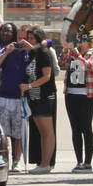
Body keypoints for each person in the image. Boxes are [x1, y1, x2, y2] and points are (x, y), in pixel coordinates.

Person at [0, 22, 29, 171]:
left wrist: (29, 47)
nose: (20, 40)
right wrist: (7, 52)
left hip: (20, 97)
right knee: (3, 132)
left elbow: (47, 45)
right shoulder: (8, 49)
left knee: (18, 132)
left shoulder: (28, 51)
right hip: (4, 94)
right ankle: (4, 159)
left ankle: (16, 161)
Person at [61, 38, 93, 172]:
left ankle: (88, 162)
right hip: (71, 92)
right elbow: (62, 64)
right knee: (75, 128)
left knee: (86, 127)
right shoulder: (73, 52)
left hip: (86, 94)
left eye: (82, 40)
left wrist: (78, 55)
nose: (79, 43)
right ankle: (79, 161)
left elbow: (92, 66)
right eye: (77, 40)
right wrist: (66, 51)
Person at [20, 26, 57, 172]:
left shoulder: (43, 53)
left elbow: (47, 76)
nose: (29, 41)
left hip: (44, 96)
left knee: (47, 131)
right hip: (34, 97)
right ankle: (43, 162)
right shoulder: (32, 54)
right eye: (27, 38)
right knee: (41, 131)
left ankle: (46, 164)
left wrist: (29, 86)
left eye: (32, 39)